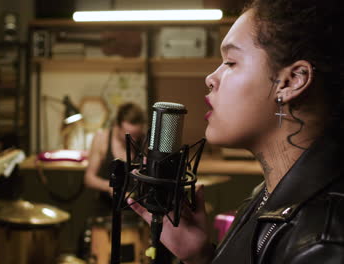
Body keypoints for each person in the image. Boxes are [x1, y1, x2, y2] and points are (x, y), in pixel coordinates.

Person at [129, 0, 344, 263]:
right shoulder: (265, 196)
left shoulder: (323, 242)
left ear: (291, 81)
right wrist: (201, 256)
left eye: (230, 62)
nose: (211, 78)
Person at [84, 102, 146, 215]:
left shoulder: (144, 141)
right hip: (107, 209)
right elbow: (89, 178)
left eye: (137, 135)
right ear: (117, 126)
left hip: (136, 210)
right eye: (129, 135)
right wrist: (110, 187)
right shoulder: (101, 139)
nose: (134, 140)